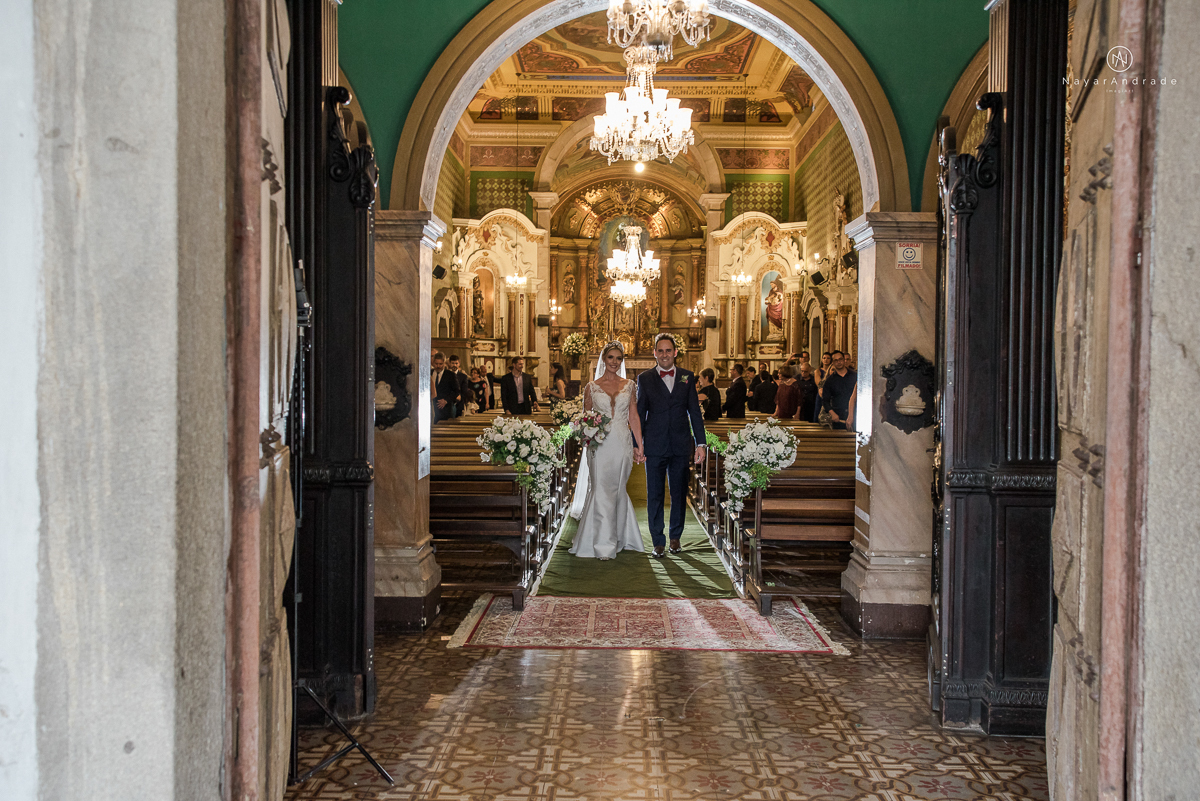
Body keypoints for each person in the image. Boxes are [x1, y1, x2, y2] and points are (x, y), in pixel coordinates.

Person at [568, 342, 646, 560]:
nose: (614, 362)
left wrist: (639, 444)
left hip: (621, 443)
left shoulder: (630, 385)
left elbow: (634, 417)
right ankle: (602, 543)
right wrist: (587, 434)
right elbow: (585, 418)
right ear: (603, 359)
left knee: (618, 488)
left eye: (618, 358)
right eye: (611, 357)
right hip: (599, 444)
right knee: (601, 489)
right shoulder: (591, 387)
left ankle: (621, 538)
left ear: (622, 361)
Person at [636, 333, 706, 558]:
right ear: (654, 353)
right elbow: (639, 413)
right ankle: (658, 540)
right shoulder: (645, 378)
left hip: (680, 444)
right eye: (660, 350)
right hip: (654, 445)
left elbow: (694, 412)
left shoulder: (688, 377)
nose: (664, 354)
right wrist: (637, 444)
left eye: (668, 350)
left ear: (675, 353)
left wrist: (700, 443)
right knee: (654, 494)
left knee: (678, 493)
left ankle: (675, 537)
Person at [821, 350, 857, 430]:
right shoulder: (829, 381)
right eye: (835, 360)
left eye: (840, 359)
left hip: (856, 414)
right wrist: (832, 414)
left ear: (844, 360)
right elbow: (825, 401)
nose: (839, 362)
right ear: (832, 363)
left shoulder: (855, 376)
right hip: (839, 416)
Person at [431, 352, 460, 423]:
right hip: (431, 407)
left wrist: (446, 400)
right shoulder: (429, 373)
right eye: (436, 364)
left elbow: (456, 391)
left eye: (440, 364)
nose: (438, 366)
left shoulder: (450, 375)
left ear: (444, 363)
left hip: (446, 409)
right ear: (433, 363)